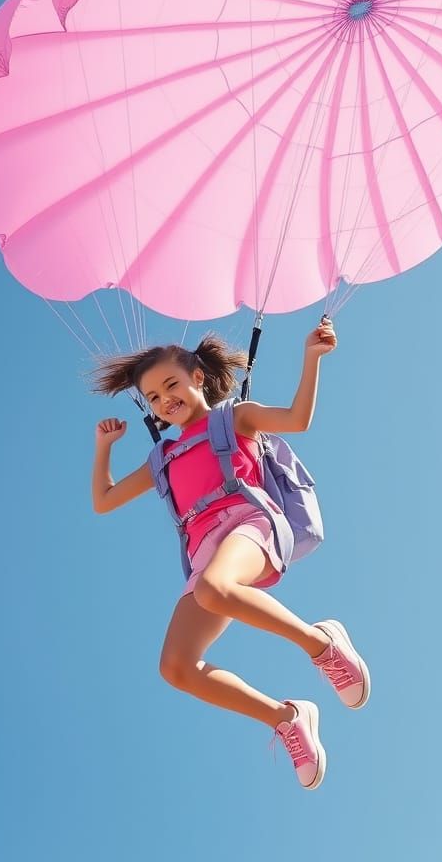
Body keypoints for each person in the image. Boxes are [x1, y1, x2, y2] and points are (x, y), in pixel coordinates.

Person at [90, 319, 369, 789]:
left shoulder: (234, 418)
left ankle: (321, 645)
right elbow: (104, 500)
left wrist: (312, 358)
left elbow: (297, 419)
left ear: (198, 377)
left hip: (250, 524)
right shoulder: (162, 460)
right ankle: (286, 718)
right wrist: (104, 449)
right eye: (153, 397)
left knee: (213, 588)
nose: (164, 400)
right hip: (205, 554)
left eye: (170, 385)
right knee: (176, 667)